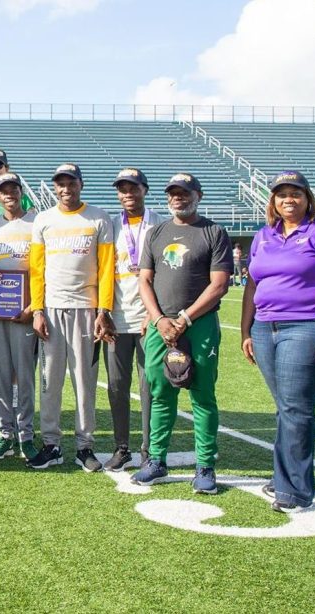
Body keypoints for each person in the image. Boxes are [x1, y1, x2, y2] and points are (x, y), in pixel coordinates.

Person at [240, 170, 315, 513]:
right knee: (287, 407)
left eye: (296, 194)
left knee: (295, 407)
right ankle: (283, 477)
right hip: (264, 328)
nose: (288, 199)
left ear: (308, 199)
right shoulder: (263, 236)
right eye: (281, 194)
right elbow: (251, 285)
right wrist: (245, 330)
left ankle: (295, 491)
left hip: (308, 327)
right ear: (272, 200)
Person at [131, 173, 232, 496]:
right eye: (173, 193)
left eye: (185, 193)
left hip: (199, 324)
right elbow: (144, 280)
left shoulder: (214, 232)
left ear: (198, 196)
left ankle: (205, 465)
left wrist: (185, 318)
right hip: (161, 325)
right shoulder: (157, 233)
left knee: (202, 395)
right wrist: (159, 319)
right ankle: (157, 460)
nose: (178, 198)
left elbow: (219, 284)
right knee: (160, 393)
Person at [28, 163, 114, 472]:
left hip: (85, 310)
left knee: (84, 381)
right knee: (50, 381)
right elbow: (36, 271)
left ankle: (84, 445)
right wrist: (37, 310)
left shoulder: (99, 218)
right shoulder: (43, 220)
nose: (66, 188)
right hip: (51, 310)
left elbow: (106, 269)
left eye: (71, 182)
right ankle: (51, 444)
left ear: (81, 183)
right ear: (54, 187)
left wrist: (103, 310)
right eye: (60, 183)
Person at [103, 167, 160, 471]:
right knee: (116, 385)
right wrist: (103, 312)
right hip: (116, 318)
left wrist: (154, 314)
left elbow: (165, 277)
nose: (127, 194)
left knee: (149, 385)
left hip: (147, 320)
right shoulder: (111, 226)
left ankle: (149, 449)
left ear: (144, 190)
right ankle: (121, 446)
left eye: (133, 188)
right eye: (122, 189)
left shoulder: (160, 226)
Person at [0, 172, 40, 463]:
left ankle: (26, 435)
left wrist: (34, 307)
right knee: (1, 375)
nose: (9, 194)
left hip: (25, 312)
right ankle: (6, 434)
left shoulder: (36, 222)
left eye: (13, 189)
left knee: (25, 375)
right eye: (4, 190)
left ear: (20, 191)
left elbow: (45, 269)